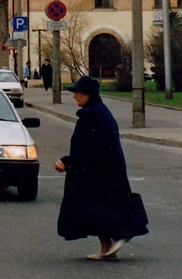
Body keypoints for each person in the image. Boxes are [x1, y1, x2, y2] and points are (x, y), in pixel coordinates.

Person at [55, 75, 149, 260]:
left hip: (98, 172)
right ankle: (107, 249)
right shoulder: (100, 110)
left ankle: (123, 232)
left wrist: (67, 161)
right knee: (100, 208)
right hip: (107, 169)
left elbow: (89, 146)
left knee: (95, 208)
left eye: (77, 93)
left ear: (87, 94)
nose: (75, 96)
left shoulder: (91, 115)